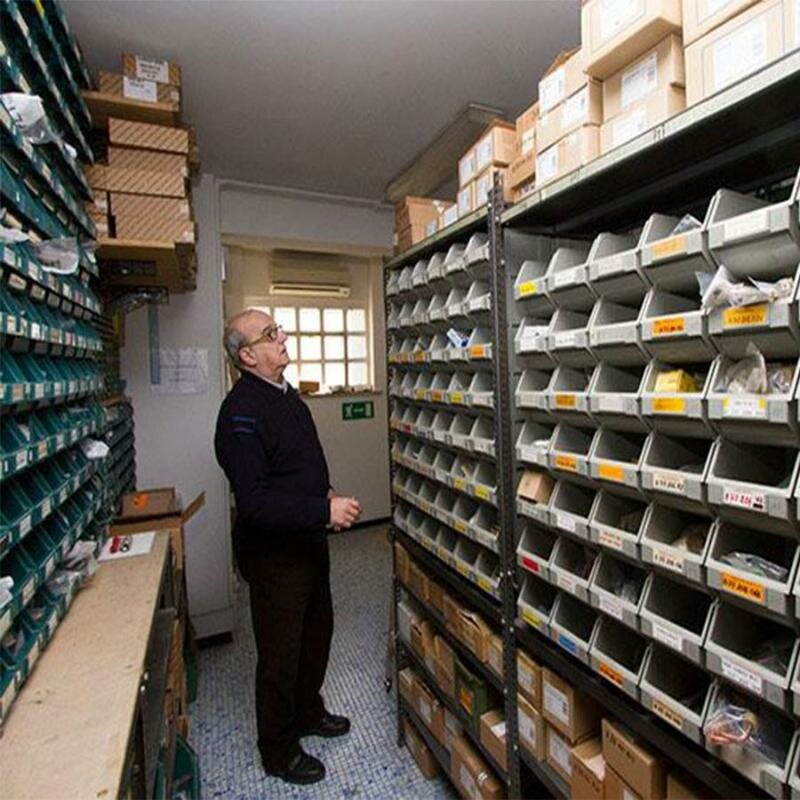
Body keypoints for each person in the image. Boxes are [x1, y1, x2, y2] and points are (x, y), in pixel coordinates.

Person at [214, 308, 362, 786]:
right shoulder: (239, 414)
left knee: (316, 634)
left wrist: (325, 493)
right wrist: (323, 511)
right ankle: (278, 750)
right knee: (280, 653)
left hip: (307, 542)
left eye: (278, 329)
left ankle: (307, 712)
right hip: (274, 556)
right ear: (247, 355)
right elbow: (255, 502)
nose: (283, 336)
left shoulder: (285, 395)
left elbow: (299, 465)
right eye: (270, 333)